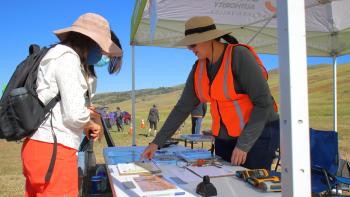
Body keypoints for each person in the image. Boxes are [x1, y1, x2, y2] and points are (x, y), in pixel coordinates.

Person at [141, 16, 279, 170]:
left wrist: (244, 145)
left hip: (257, 135)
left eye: (193, 44)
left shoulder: (239, 56)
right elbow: (182, 108)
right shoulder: (198, 68)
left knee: (252, 186)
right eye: (188, 46)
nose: (190, 49)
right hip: (224, 139)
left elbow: (263, 102)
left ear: (209, 39)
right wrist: (156, 143)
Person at [21, 13, 122, 196]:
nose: (102, 54)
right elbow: (74, 114)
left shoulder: (60, 55)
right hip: (53, 149)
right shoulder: (67, 58)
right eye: (101, 47)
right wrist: (90, 123)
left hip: (45, 147)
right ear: (90, 41)